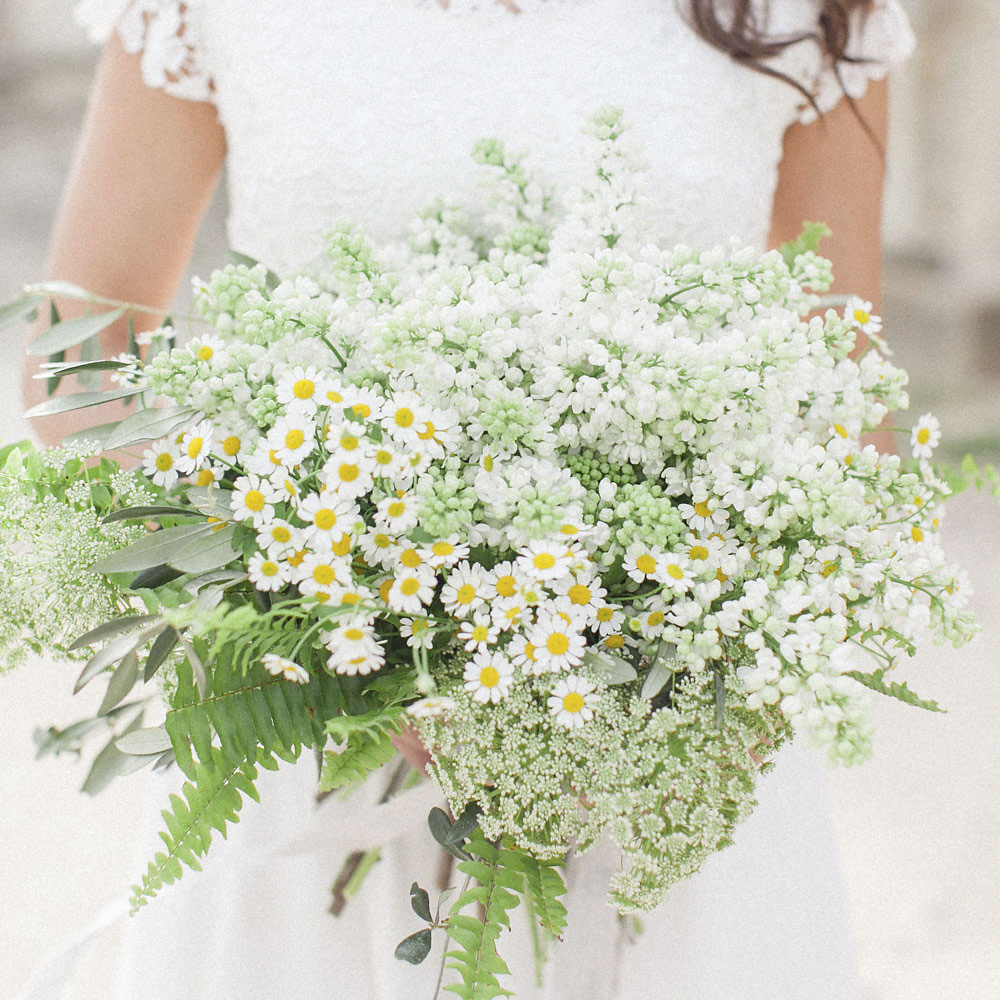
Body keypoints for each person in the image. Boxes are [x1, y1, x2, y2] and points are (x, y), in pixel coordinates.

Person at [20, 0, 915, 996]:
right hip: (310, 728)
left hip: (673, 745)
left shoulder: (808, 11)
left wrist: (676, 662)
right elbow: (83, 349)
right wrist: (319, 622)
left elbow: (845, 385)